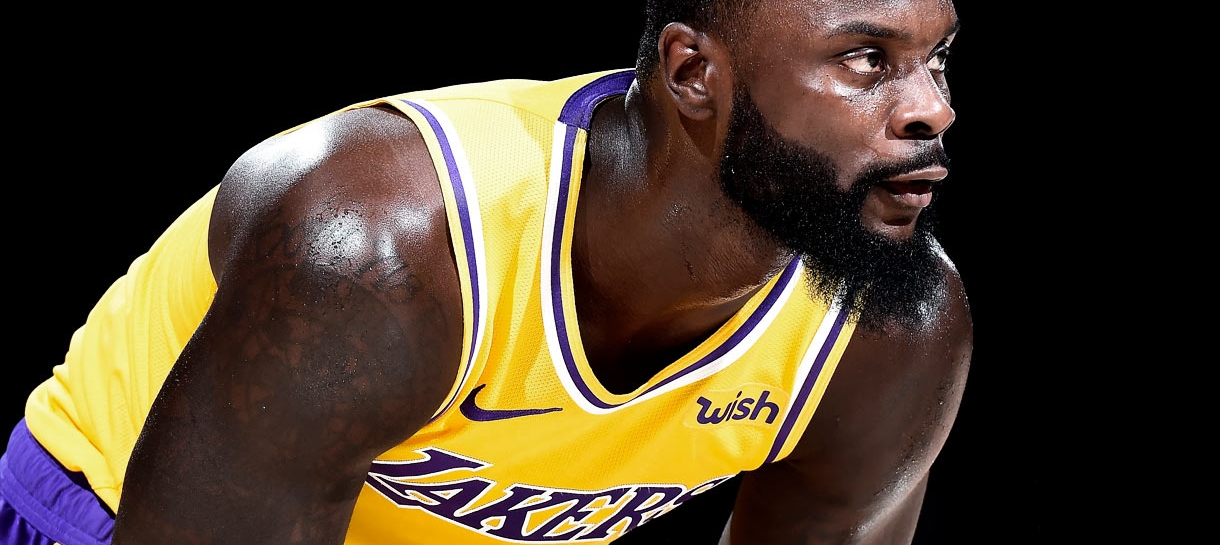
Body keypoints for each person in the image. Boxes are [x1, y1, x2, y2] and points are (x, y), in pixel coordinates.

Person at [0, 0, 973, 543]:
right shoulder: (383, 243)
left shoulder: (894, 331)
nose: (933, 107)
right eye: (866, 59)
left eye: (939, 58)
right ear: (692, 74)